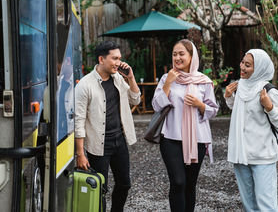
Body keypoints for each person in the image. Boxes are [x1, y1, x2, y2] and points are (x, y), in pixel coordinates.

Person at [152, 39, 218, 212]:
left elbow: (213, 110)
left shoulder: (203, 81)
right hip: (171, 138)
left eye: (181, 54)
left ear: (191, 56)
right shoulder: (167, 78)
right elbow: (156, 105)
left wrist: (200, 105)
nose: (177, 58)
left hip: (197, 139)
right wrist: (167, 84)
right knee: (178, 182)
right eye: (175, 54)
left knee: (190, 184)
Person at [74, 40, 140, 212]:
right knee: (99, 189)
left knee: (124, 184)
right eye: (115, 58)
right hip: (98, 145)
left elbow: (135, 99)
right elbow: (78, 121)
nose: (119, 62)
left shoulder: (119, 79)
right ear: (101, 59)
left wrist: (131, 77)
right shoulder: (84, 85)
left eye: (119, 58)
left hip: (119, 140)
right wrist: (80, 154)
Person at [224, 49, 278, 212]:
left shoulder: (268, 90)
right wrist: (229, 97)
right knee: (250, 206)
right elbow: (240, 111)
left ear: (259, 68)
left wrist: (269, 107)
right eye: (242, 63)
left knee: (266, 206)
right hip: (241, 155)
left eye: (248, 65)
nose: (242, 67)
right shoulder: (241, 86)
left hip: (262, 156)